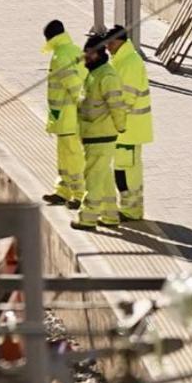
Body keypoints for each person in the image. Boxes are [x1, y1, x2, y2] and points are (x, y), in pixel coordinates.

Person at [74, 33, 128, 232]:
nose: (85, 58)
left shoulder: (106, 76)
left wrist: (120, 126)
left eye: (88, 54)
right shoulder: (95, 73)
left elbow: (117, 105)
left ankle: (87, 217)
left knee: (93, 177)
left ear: (98, 54)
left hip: (101, 135)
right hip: (93, 134)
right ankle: (110, 215)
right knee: (103, 176)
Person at [105, 25, 153, 221]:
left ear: (120, 41)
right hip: (125, 129)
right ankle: (128, 208)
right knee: (122, 170)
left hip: (129, 129)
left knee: (127, 172)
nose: (107, 47)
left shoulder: (129, 63)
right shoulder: (122, 60)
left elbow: (125, 99)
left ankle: (132, 210)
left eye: (110, 43)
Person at [39, 20, 86, 209]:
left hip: (67, 117)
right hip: (66, 116)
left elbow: (74, 84)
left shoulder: (60, 56)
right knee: (65, 157)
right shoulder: (73, 49)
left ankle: (80, 194)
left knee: (72, 157)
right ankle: (63, 191)